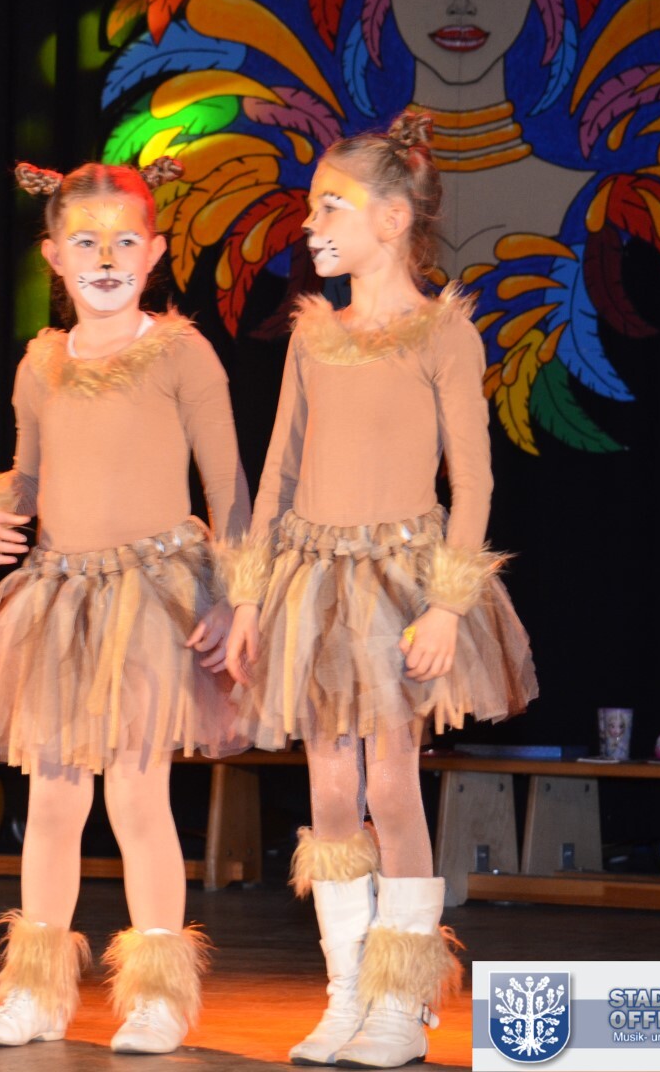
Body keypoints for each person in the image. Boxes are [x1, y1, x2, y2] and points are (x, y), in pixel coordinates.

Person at [223, 110, 538, 1068]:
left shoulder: (442, 333)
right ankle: (346, 993)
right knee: (328, 788)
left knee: (392, 782)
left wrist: (447, 604)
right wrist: (249, 597)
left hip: (399, 585)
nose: (310, 222)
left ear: (393, 220)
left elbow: (473, 482)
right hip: (314, 584)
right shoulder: (312, 337)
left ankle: (400, 1003)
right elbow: (278, 473)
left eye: (331, 205)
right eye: (311, 205)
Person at [0, 157, 250, 1055]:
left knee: (136, 792)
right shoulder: (40, 363)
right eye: (85, 242)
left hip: (152, 595)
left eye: (125, 241)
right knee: (50, 794)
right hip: (61, 598)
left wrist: (234, 596)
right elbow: (28, 479)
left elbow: (229, 489)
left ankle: (157, 995)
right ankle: (36, 992)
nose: (106, 258)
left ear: (153, 253)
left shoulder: (181, 353)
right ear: (53, 256)